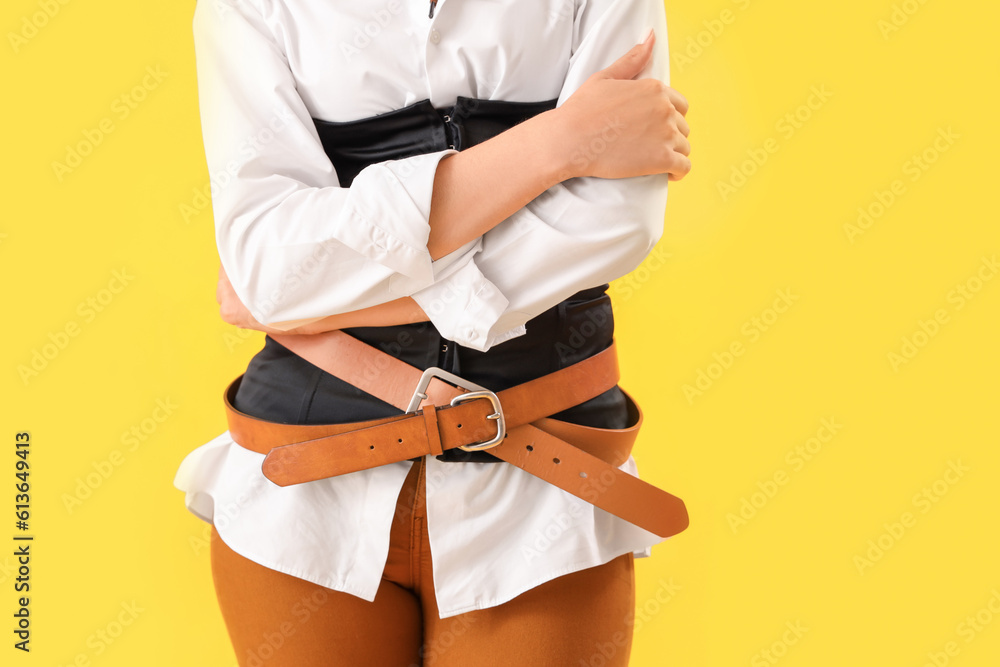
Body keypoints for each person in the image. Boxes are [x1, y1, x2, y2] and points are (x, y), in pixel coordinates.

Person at [173, 0, 691, 664]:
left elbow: (616, 224)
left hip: (549, 493)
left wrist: (317, 294)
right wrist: (553, 145)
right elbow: (268, 261)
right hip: (302, 493)